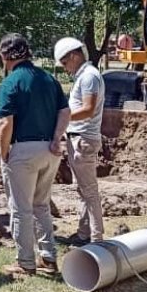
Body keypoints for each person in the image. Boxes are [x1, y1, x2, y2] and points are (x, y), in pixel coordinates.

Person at [0, 33, 70, 276]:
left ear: (5, 56)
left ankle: (25, 261)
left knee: (20, 208)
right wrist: (57, 138)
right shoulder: (48, 78)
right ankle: (48, 258)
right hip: (50, 150)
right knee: (41, 205)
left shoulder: (11, 82)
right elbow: (65, 111)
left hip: (23, 150)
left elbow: (6, 123)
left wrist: (3, 151)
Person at [54, 36, 105, 246]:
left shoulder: (89, 77)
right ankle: (84, 234)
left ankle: (96, 239)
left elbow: (88, 109)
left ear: (74, 56)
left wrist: (62, 117)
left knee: (89, 192)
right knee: (84, 190)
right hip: (79, 138)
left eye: (65, 63)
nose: (65, 68)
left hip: (83, 139)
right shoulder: (84, 76)